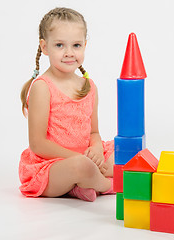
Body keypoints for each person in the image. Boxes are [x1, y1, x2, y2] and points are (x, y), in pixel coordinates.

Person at [19, 7, 114, 202]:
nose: (69, 53)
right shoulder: (43, 87)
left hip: (87, 158)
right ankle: (107, 185)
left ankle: (82, 185)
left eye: (76, 45)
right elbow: (37, 145)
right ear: (45, 47)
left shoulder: (89, 86)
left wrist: (96, 149)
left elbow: (94, 133)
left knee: (130, 151)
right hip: (53, 165)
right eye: (60, 45)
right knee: (81, 166)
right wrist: (79, 158)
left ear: (85, 45)